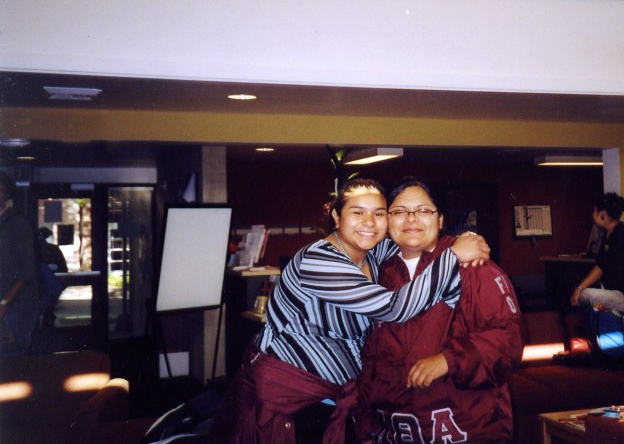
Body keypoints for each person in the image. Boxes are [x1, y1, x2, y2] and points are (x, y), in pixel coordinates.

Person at [208, 178, 489, 444]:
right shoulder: (318, 260)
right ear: (336, 217)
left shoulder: (373, 255)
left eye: (379, 214)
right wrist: (454, 255)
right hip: (285, 398)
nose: (369, 222)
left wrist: (461, 241)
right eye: (358, 212)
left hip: (331, 400)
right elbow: (394, 307)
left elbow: (412, 242)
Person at [356, 178, 522, 443]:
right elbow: (369, 359)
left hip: (462, 426)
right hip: (394, 430)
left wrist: (448, 361)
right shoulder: (378, 276)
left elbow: (507, 342)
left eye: (423, 210)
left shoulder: (473, 268)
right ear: (387, 221)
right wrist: (366, 429)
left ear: (441, 219)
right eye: (399, 211)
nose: (411, 219)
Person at [570, 192, 624, 319]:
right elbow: (602, 264)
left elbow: (601, 267)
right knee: (583, 295)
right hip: (616, 294)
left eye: (594, 211)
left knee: (584, 295)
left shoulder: (623, 235)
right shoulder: (608, 235)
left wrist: (579, 288)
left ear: (603, 214)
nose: (592, 215)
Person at [0, 172, 38, 356]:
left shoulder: (17, 223)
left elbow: (27, 271)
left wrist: (4, 303)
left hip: (17, 305)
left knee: (14, 360)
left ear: (5, 194)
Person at [36, 227, 68, 328]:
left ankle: (47, 313)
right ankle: (47, 313)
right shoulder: (36, 250)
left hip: (54, 279)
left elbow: (63, 267)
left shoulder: (53, 249)